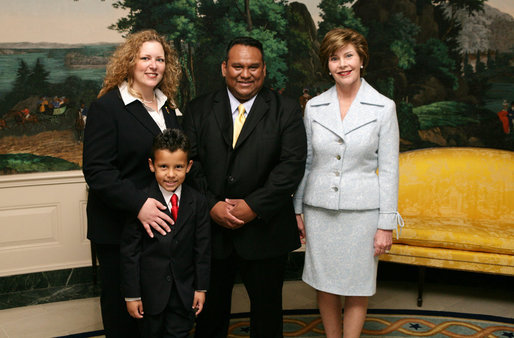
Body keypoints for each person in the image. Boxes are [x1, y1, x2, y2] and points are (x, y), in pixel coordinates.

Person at [183, 36, 307, 338]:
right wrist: (211, 204)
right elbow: (189, 162)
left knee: (267, 316)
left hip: (265, 230)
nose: (245, 73)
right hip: (210, 231)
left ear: (264, 70)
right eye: (237, 66)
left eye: (253, 67)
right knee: (209, 316)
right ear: (224, 68)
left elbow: (290, 166)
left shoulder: (287, 110)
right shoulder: (198, 109)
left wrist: (253, 206)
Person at [294, 27, 403, 338]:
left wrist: (385, 224)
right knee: (325, 283)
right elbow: (307, 161)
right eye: (334, 58)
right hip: (320, 211)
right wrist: (297, 208)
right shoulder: (314, 107)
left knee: (358, 285)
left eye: (348, 56)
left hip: (363, 214)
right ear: (327, 65)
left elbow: (390, 169)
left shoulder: (384, 107)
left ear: (361, 59)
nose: (342, 64)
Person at [82, 29, 182, 337]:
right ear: (130, 62)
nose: (153, 66)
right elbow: (97, 171)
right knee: (123, 313)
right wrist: (139, 205)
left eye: (160, 59)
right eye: (145, 58)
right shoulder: (107, 107)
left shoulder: (169, 107)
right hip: (117, 229)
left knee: (156, 311)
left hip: (161, 229)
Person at [121, 128, 211, 338]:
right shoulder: (140, 202)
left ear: (188, 166)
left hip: (184, 294)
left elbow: (203, 249)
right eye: (163, 167)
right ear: (152, 165)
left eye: (178, 167)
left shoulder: (198, 201)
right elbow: (130, 252)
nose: (171, 174)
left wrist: (201, 288)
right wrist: (132, 295)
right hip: (150, 296)